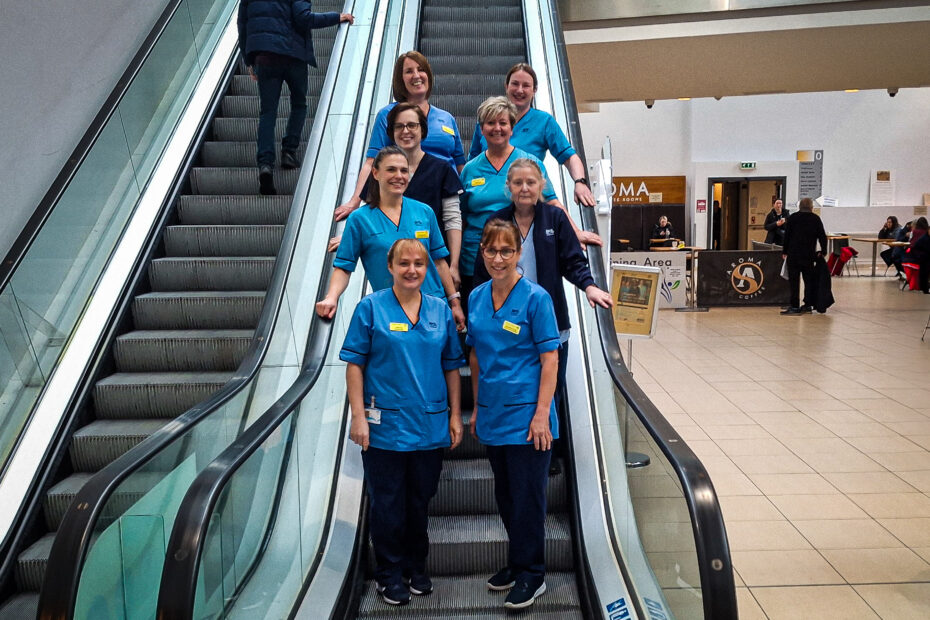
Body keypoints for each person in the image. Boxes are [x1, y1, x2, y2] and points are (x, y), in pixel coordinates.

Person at [340, 238, 466, 606]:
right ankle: (389, 573)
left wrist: (455, 415)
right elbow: (354, 365)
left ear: (427, 269)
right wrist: (358, 415)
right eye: (404, 263)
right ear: (390, 267)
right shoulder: (370, 309)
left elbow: (451, 367)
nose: (412, 270)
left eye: (419, 264)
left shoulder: (439, 310)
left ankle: (416, 568)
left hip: (428, 428)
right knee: (387, 505)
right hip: (384, 431)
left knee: (419, 502)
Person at [466, 218, 559, 611]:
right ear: (482, 252)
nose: (499, 258)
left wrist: (541, 415)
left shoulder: (536, 299)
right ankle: (517, 562)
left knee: (527, 499)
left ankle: (533, 574)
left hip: (527, 420)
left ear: (519, 253)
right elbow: (474, 354)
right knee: (505, 497)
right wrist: (475, 408)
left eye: (507, 250)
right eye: (491, 250)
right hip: (492, 414)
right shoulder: (476, 297)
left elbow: (550, 358)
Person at [472, 158, 611, 414]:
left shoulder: (555, 218)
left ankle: (546, 445)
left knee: (550, 393)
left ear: (541, 185)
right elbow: (483, 270)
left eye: (531, 182)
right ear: (508, 187)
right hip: (507, 325)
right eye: (518, 182)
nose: (524, 188)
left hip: (549, 321)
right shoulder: (496, 221)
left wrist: (589, 286)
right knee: (512, 390)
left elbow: (572, 261)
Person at [460, 97, 598, 306]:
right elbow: (460, 217)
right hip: (475, 262)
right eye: (490, 123)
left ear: (512, 127)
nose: (497, 128)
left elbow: (551, 202)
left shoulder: (529, 162)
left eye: (503, 123)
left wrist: (575, 232)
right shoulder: (470, 169)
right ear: (481, 128)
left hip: (519, 261)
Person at [316, 146, 465, 329]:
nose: (399, 176)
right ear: (376, 173)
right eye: (391, 169)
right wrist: (331, 297)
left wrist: (454, 302)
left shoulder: (424, 212)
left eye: (404, 170)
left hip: (434, 306)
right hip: (391, 311)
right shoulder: (360, 219)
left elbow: (439, 262)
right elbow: (344, 266)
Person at [237, 1, 353, 195]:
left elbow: (243, 26)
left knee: (267, 112)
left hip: (264, 57)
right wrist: (336, 17)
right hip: (293, 55)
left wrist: (249, 60)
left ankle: (265, 164)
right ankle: (289, 151)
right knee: (299, 104)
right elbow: (304, 18)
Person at [335, 51, 465, 220]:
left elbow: (460, 165)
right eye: (409, 71)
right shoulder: (388, 115)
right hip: (407, 193)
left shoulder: (446, 118)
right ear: (400, 79)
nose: (416, 75)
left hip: (445, 195)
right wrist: (355, 201)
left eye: (421, 69)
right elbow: (372, 162)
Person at [349, 103, 464, 287]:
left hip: (433, 268)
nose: (406, 131)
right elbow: (369, 217)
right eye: (399, 126)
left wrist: (455, 265)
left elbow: (453, 220)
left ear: (422, 129)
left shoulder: (442, 169)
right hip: (391, 273)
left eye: (412, 125)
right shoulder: (380, 172)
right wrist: (349, 237)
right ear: (391, 132)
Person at [468, 63, 595, 208]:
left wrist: (580, 182)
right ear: (506, 86)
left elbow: (569, 156)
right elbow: (473, 162)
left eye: (526, 85)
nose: (520, 90)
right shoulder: (487, 121)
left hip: (526, 204)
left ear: (534, 90)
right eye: (515, 84)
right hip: (487, 201)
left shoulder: (544, 122)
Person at [781, 197, 827, 315]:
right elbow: (822, 236)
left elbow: (787, 236)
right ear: (811, 207)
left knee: (794, 281)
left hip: (794, 254)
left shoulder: (793, 218)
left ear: (799, 207)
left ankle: (794, 305)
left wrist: (784, 251)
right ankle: (807, 305)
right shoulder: (815, 219)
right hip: (808, 255)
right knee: (808, 281)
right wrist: (824, 251)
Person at [903, 217, 930, 293]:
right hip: (922, 257)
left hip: (912, 256)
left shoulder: (914, 232)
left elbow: (911, 242)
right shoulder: (926, 233)